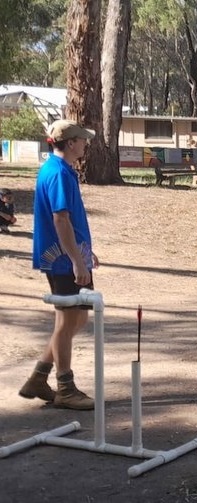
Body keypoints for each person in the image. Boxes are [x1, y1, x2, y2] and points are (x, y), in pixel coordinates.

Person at [19, 119, 97, 410]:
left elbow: (70, 220)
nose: (86, 144)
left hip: (69, 256)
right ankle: (65, 387)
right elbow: (60, 219)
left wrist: (86, 252)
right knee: (68, 321)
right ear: (71, 143)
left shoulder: (60, 170)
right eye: (82, 140)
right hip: (63, 261)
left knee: (76, 319)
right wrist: (77, 260)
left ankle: (39, 377)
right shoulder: (59, 173)